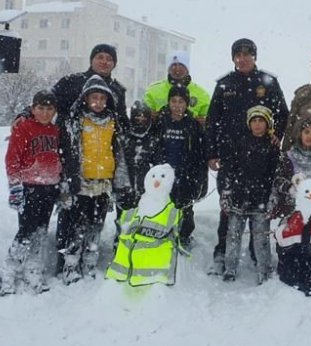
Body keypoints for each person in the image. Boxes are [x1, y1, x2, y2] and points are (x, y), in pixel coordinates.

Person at [205, 38, 288, 273]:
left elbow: (283, 114)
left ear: (254, 56)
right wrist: (212, 153)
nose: (242, 59)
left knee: (260, 207)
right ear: (233, 58)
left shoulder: (268, 82)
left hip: (262, 158)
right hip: (231, 157)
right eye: (238, 55)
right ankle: (222, 254)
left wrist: (277, 135)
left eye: (247, 54)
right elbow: (212, 121)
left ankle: (256, 251)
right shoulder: (225, 84)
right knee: (228, 206)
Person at [57, 75, 131, 284]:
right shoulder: (76, 120)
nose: (98, 102)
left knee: (96, 226)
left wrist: (120, 181)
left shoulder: (113, 122)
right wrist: (70, 180)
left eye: (102, 98)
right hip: (81, 183)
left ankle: (90, 262)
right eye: (94, 98)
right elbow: (69, 153)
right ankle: (70, 265)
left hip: (103, 183)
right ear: (85, 98)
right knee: (77, 227)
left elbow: (118, 153)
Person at [0, 90, 62, 295]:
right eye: (40, 108)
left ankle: (33, 270)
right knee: (26, 230)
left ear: (54, 111)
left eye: (49, 109)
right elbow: (12, 159)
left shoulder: (55, 130)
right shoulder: (23, 128)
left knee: (41, 231)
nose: (44, 113)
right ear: (33, 109)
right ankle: (10, 270)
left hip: (49, 187)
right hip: (29, 187)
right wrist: (15, 187)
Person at [222, 105, 280, 284]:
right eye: (254, 121)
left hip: (260, 201)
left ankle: (264, 270)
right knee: (233, 236)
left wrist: (272, 198)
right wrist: (226, 193)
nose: (257, 125)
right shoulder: (239, 142)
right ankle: (230, 268)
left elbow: (276, 177)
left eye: (261, 121)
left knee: (261, 239)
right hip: (238, 199)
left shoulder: (272, 147)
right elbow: (228, 170)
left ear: (267, 123)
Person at [150, 85, 208, 250]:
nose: (177, 105)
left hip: (185, 175)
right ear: (168, 102)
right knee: (161, 207)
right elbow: (152, 148)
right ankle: (161, 234)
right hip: (162, 176)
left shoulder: (193, 125)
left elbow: (199, 154)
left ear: (187, 103)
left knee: (185, 210)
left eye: (181, 101)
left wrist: (198, 179)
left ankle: (184, 236)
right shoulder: (160, 122)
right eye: (173, 101)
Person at [106, 164, 183, 286]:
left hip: (155, 279)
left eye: (162, 177)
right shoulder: (135, 209)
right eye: (153, 176)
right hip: (120, 278)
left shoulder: (172, 212)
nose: (157, 181)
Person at [113, 101, 156, 248]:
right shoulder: (123, 137)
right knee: (123, 221)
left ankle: (139, 248)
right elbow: (117, 163)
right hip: (124, 188)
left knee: (143, 222)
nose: (140, 120)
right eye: (137, 117)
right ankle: (119, 248)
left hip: (146, 192)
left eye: (144, 117)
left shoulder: (153, 139)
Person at [144, 50, 211, 124]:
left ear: (187, 69)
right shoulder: (153, 91)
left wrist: (206, 122)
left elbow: (209, 120)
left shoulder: (201, 94)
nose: (177, 69)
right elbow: (143, 115)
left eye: (181, 65)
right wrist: (149, 116)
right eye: (174, 65)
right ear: (168, 69)